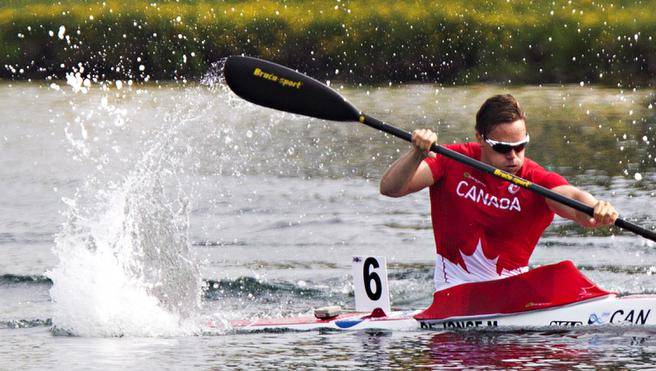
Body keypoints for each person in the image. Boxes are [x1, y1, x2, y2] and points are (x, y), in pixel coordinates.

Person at [380, 94, 619, 291]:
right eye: (503, 148)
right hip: (453, 292)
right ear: (480, 139)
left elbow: (574, 199)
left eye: (520, 146)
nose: (513, 156)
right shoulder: (452, 161)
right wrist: (416, 153)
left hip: (513, 296)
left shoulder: (534, 179)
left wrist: (596, 208)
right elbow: (390, 188)